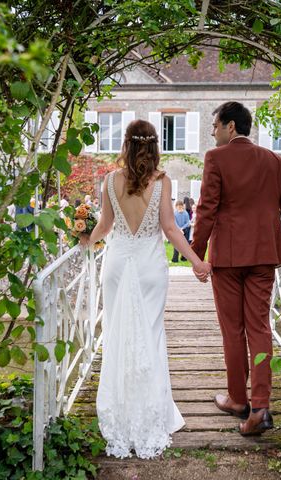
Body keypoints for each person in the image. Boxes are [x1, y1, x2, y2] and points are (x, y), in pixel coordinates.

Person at [80, 119, 211, 458]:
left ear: (126, 144)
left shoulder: (110, 180)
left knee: (119, 335)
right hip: (150, 267)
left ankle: (121, 412)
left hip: (118, 264)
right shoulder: (163, 182)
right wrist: (197, 261)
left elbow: (105, 226)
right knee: (149, 338)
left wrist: (83, 240)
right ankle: (150, 412)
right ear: (154, 146)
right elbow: (170, 228)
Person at [191, 101, 281, 436]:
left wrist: (197, 254)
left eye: (214, 125)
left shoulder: (216, 158)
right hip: (263, 256)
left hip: (228, 259)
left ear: (231, 126)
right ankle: (260, 407)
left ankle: (236, 399)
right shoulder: (274, 160)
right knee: (259, 327)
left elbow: (206, 209)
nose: (212, 131)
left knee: (233, 329)